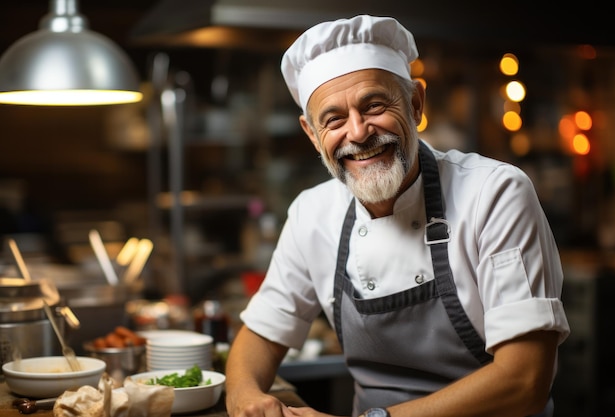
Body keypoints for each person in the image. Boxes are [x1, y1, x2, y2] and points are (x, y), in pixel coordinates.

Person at [225, 14, 570, 417]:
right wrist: (245, 398)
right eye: (333, 119)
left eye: (374, 105)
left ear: (416, 104)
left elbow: (524, 380)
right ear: (312, 134)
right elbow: (261, 334)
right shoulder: (312, 213)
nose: (357, 133)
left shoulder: (494, 193)